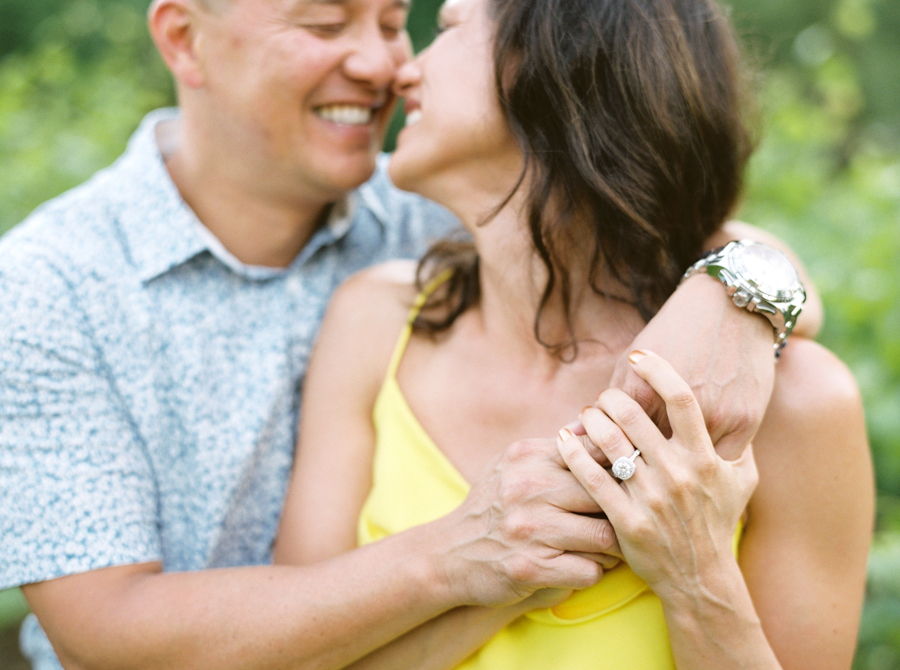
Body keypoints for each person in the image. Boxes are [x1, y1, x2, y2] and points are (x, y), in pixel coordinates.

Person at [0, 0, 822, 668]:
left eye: (395, 23)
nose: (386, 65)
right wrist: (466, 554)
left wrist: (740, 294)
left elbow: (632, 212)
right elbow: (104, 631)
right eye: (324, 25)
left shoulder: (434, 205)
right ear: (184, 40)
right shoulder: (50, 285)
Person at [274, 0, 873, 667]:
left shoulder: (792, 407)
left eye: (445, 31)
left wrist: (694, 574)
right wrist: (498, 565)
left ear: (549, 57)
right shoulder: (374, 323)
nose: (403, 72)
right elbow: (298, 648)